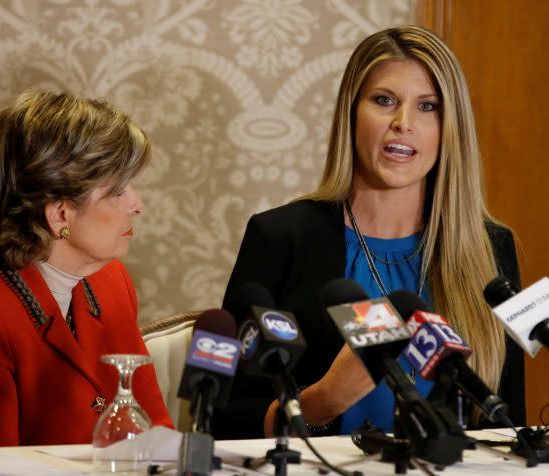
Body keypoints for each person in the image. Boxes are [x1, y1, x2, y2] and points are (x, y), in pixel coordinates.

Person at [213, 26, 525, 439]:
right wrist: (321, 401)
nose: (403, 123)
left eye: (428, 106)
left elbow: (511, 422)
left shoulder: (491, 248)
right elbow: (222, 419)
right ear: (351, 113)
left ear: (450, 128)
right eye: (384, 101)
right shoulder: (280, 238)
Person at [0, 90, 173, 447]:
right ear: (60, 215)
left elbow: (155, 432)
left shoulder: (111, 281)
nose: (137, 204)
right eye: (117, 191)